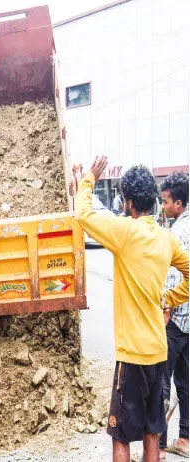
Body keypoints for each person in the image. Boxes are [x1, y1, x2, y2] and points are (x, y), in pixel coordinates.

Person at [74, 157, 188, 462]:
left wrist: (89, 177)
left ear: (127, 202)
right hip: (159, 353)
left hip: (132, 357)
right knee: (153, 433)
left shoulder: (123, 232)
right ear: (152, 200)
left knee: (121, 436)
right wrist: (171, 298)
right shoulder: (166, 239)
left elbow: (83, 213)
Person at [159, 172, 189, 459]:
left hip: (176, 321)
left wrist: (166, 307)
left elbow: (171, 277)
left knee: (162, 380)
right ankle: (185, 439)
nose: (163, 205)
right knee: (185, 380)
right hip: (189, 322)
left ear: (178, 203)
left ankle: (158, 447)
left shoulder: (178, 234)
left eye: (166, 201)